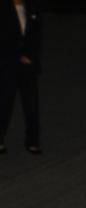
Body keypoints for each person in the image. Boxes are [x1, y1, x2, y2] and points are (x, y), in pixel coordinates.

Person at [0, 0, 41, 155]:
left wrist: (29, 55)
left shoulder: (31, 7)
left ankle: (33, 141)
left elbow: (37, 34)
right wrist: (17, 56)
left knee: (31, 103)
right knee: (5, 102)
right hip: (8, 64)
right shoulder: (3, 8)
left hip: (28, 65)